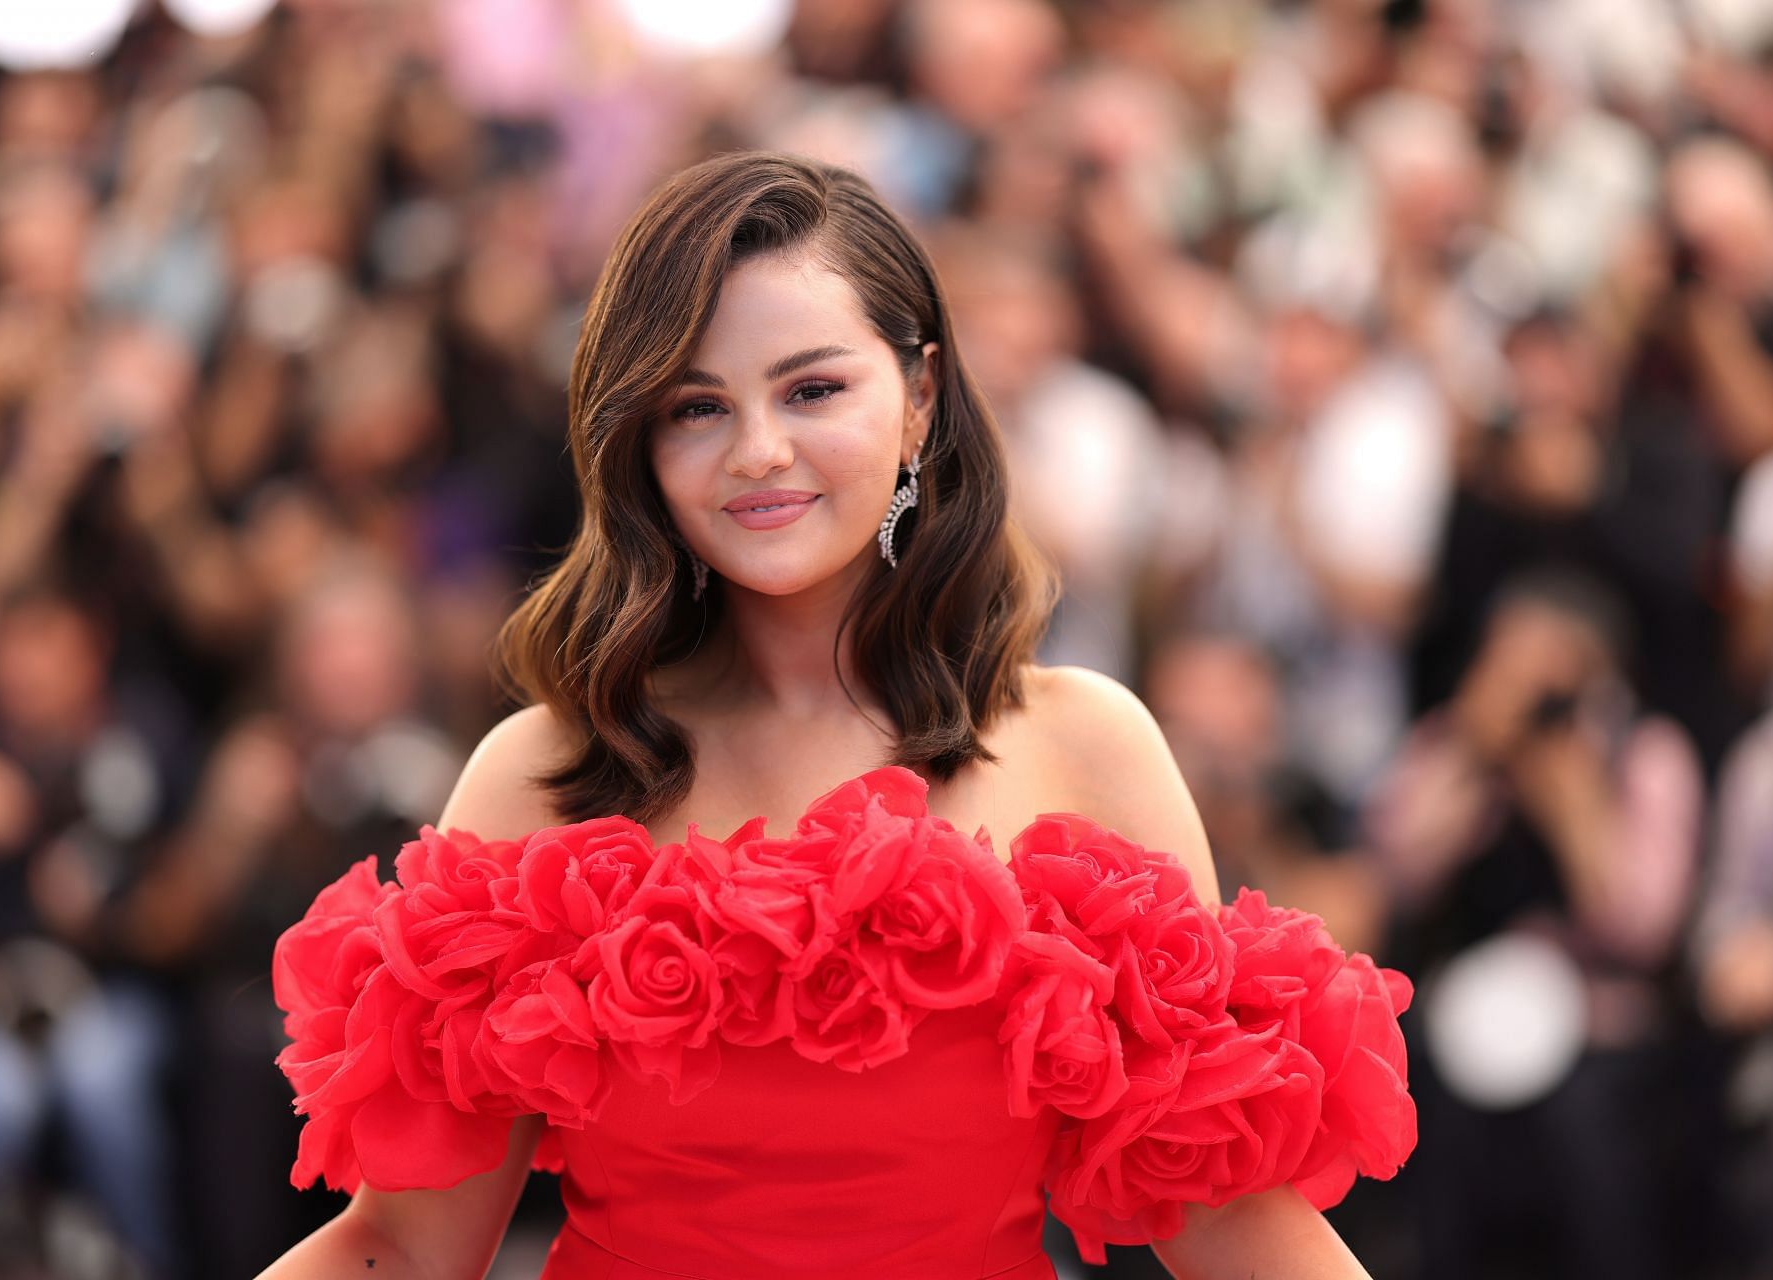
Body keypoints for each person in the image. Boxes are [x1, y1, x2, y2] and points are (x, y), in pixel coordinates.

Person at [255, 151, 1416, 1280]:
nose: (758, 451)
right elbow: (404, 1246)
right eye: (695, 406)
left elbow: (1229, 1224)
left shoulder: (1084, 748)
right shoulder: (547, 769)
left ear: (918, 397)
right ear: (640, 444)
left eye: (812, 388)